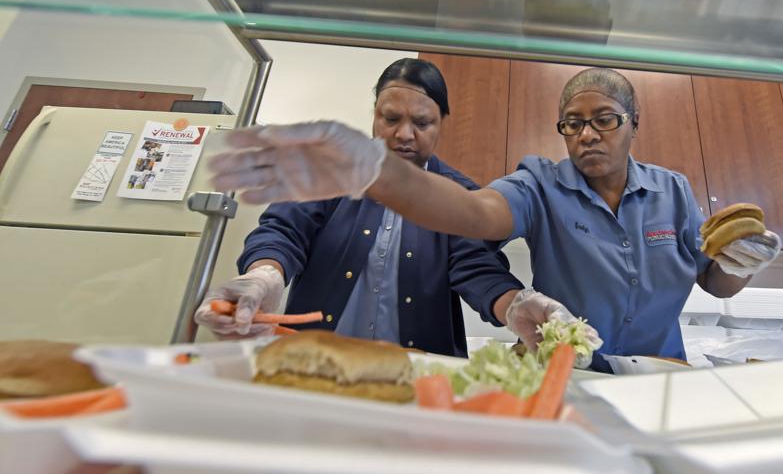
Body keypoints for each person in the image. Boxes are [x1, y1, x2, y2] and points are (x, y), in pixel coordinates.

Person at [208, 67, 780, 372]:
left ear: (633, 123)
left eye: (604, 120)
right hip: (569, 371)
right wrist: (263, 278)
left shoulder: (674, 190)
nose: (586, 134)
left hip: (659, 369)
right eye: (572, 123)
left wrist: (741, 264)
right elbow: (473, 215)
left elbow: (715, 281)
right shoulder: (540, 183)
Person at [193, 58, 536, 358]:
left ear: (442, 123)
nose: (404, 134)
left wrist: (515, 305)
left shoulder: (460, 193)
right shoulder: (331, 171)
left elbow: (475, 265)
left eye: (421, 123)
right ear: (374, 115)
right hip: (314, 361)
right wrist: (263, 276)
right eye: (390, 119)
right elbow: (284, 231)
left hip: (416, 375)